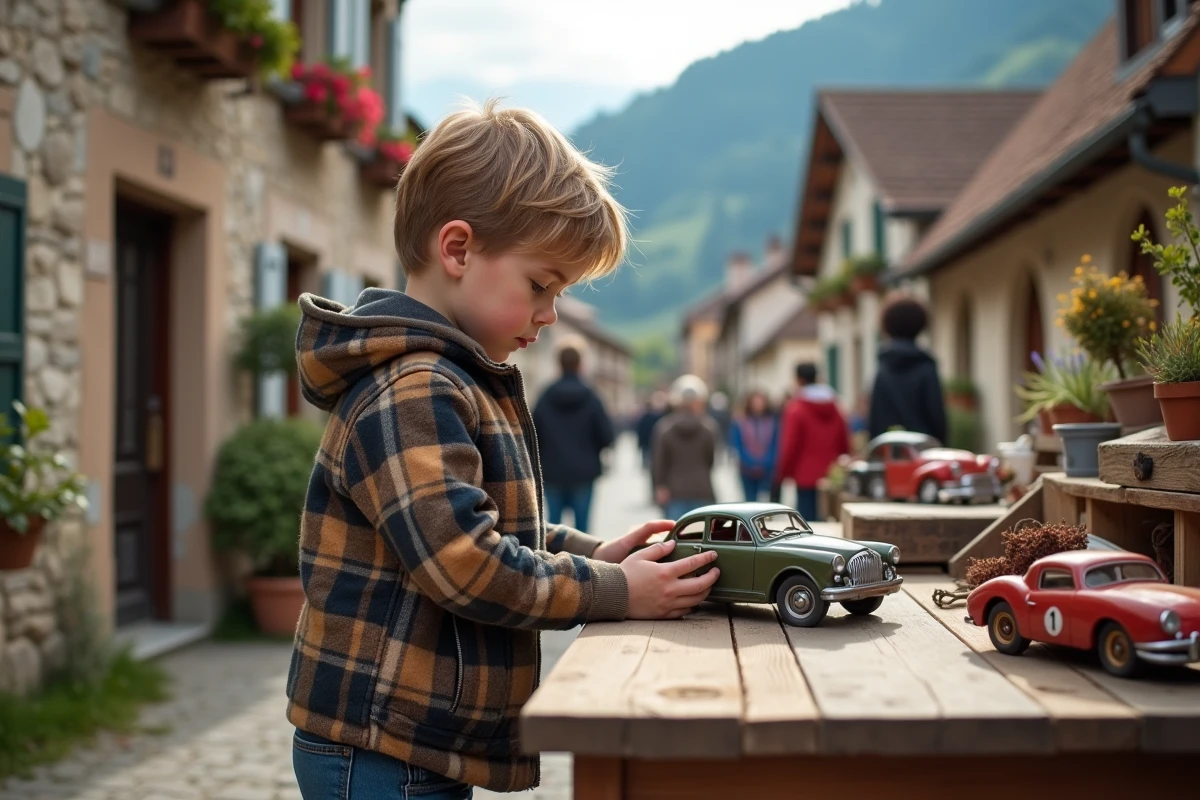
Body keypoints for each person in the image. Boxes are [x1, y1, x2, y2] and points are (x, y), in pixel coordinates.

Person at [286, 100, 721, 800]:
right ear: (457, 250)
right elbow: (466, 563)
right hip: (380, 749)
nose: (551, 314)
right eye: (541, 286)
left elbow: (481, 523)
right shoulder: (414, 388)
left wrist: (590, 555)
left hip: (412, 742)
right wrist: (613, 592)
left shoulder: (447, 376)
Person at [532, 342, 614, 531]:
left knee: (553, 530)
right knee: (583, 531)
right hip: (584, 472)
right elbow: (606, 436)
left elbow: (533, 434)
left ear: (558, 363)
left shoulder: (545, 396)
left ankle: (553, 561)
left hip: (552, 471)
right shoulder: (592, 396)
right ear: (580, 364)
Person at [869, 291, 947, 443]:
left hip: (889, 452)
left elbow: (875, 420)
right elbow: (937, 418)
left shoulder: (883, 369)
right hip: (923, 453)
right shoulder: (926, 367)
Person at [775, 362, 850, 521]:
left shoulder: (796, 409)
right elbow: (844, 441)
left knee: (807, 524)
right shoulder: (835, 407)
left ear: (799, 380)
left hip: (804, 476)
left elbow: (790, 445)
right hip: (831, 475)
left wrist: (782, 474)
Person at [652, 374, 719, 520]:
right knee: (702, 538)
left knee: (676, 539)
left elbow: (659, 462)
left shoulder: (664, 427)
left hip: (674, 491)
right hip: (702, 489)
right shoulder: (709, 427)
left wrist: (659, 486)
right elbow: (711, 459)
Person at [728, 390, 779, 502]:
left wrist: (766, 462)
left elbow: (775, 444)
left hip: (767, 469)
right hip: (747, 469)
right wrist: (751, 462)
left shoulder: (772, 422)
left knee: (767, 502)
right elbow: (737, 445)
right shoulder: (740, 421)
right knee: (750, 500)